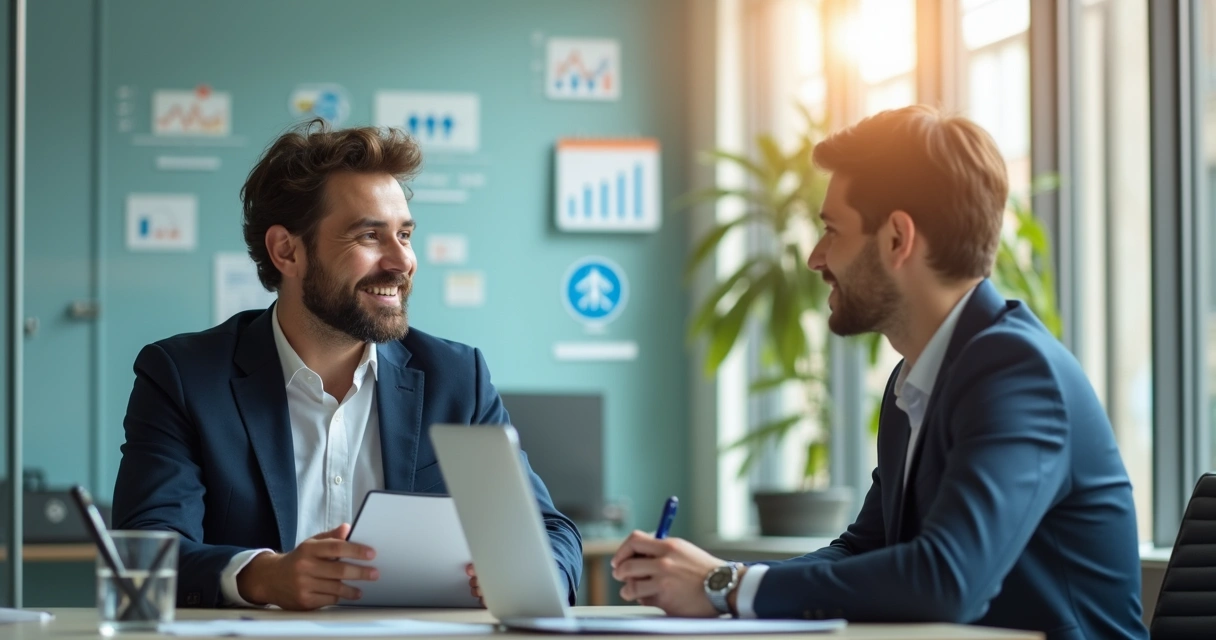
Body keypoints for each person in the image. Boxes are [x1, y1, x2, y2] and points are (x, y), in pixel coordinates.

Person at [610, 106, 1148, 640]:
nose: (816, 258)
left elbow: (947, 579)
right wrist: (717, 581)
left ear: (896, 238)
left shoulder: (1017, 372)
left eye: (832, 231)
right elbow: (864, 548)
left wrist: (725, 586)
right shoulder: (914, 381)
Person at [112, 120, 582, 610]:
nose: (401, 261)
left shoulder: (457, 378)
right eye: (369, 236)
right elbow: (145, 551)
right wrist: (261, 576)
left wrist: (529, 574)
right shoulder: (184, 377)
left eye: (404, 234)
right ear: (286, 251)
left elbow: (550, 532)